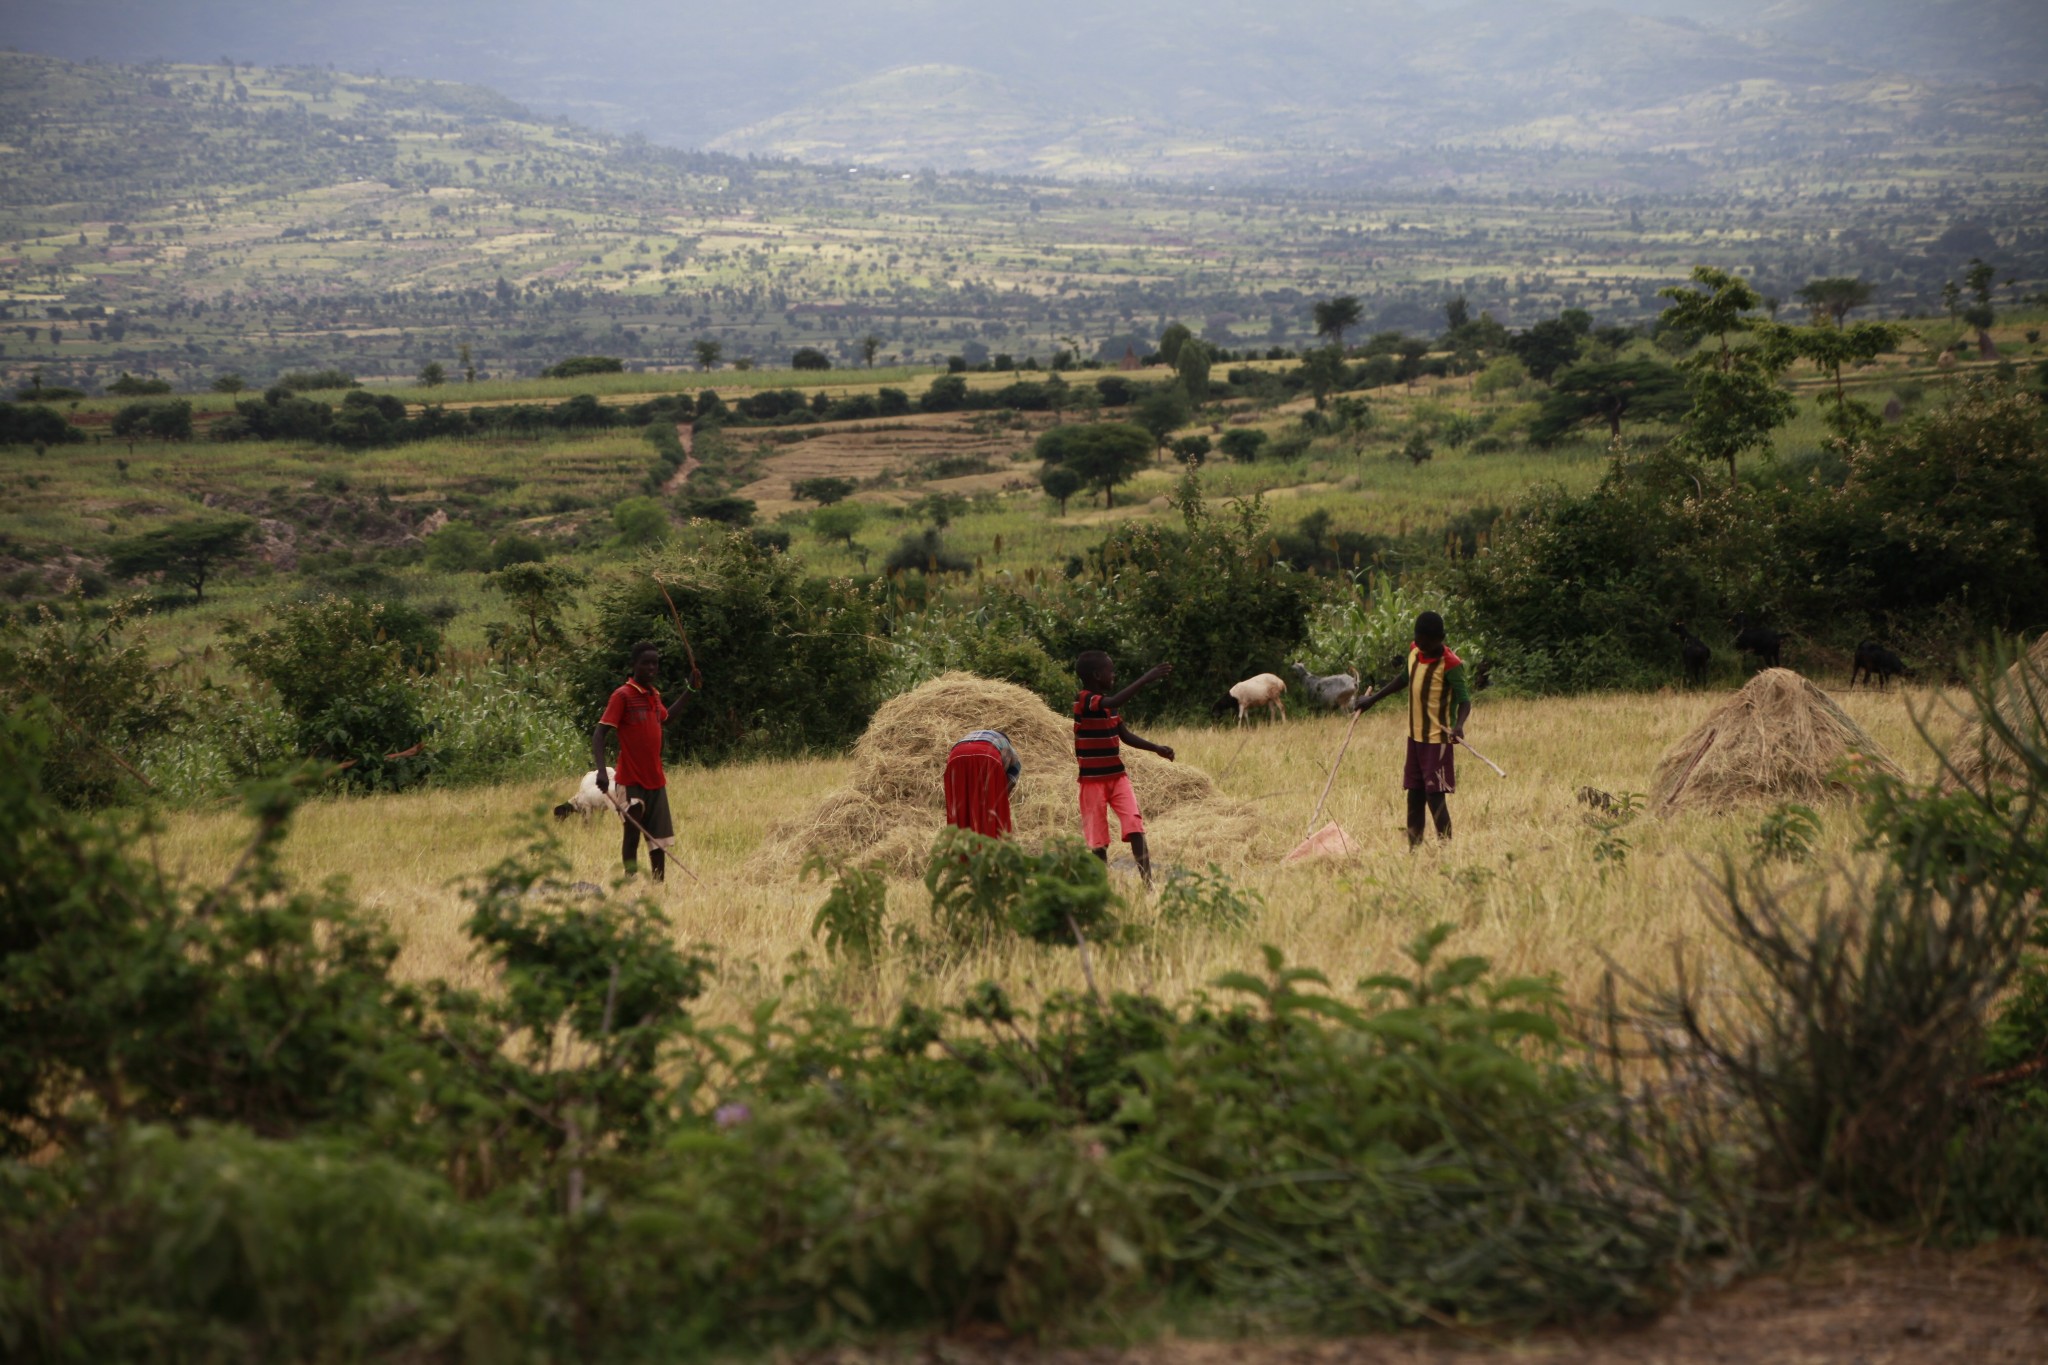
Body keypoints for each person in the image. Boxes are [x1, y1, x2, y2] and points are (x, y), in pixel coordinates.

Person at [1350, 610, 1472, 848]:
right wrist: (1372, 699)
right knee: (1414, 796)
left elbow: (1464, 700)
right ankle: (1414, 851)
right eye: (1418, 640)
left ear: (1440, 639)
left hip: (1437, 741)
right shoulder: (1415, 652)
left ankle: (1446, 849)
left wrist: (1458, 726)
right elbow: (1403, 679)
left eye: (1426, 641)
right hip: (1414, 738)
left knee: (1435, 797)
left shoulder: (1451, 664)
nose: (1421, 645)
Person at [1072, 650, 1175, 885]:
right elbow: (1114, 700)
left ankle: (1148, 885)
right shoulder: (1085, 700)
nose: (1114, 675)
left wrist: (1156, 747)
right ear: (1098, 675)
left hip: (1118, 777)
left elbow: (1124, 735)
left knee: (1135, 825)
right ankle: (1100, 888)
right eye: (1111, 671)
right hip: (1092, 782)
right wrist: (1145, 678)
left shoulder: (1109, 706)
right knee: (1098, 839)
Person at [592, 641, 690, 881]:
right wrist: (602, 772)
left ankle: (658, 885)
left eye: (655, 663)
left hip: (656, 779)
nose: (651, 668)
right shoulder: (622, 695)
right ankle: (631, 879)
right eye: (645, 663)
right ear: (634, 665)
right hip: (631, 778)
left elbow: (666, 719)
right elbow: (599, 733)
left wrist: (691, 691)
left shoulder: (654, 696)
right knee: (633, 832)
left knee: (659, 839)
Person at [944, 728, 1022, 838]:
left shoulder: (970, 736)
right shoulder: (1005, 743)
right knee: (991, 808)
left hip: (956, 757)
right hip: (986, 755)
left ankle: (961, 848)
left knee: (960, 808)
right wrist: (1000, 795)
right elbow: (1015, 771)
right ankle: (989, 846)